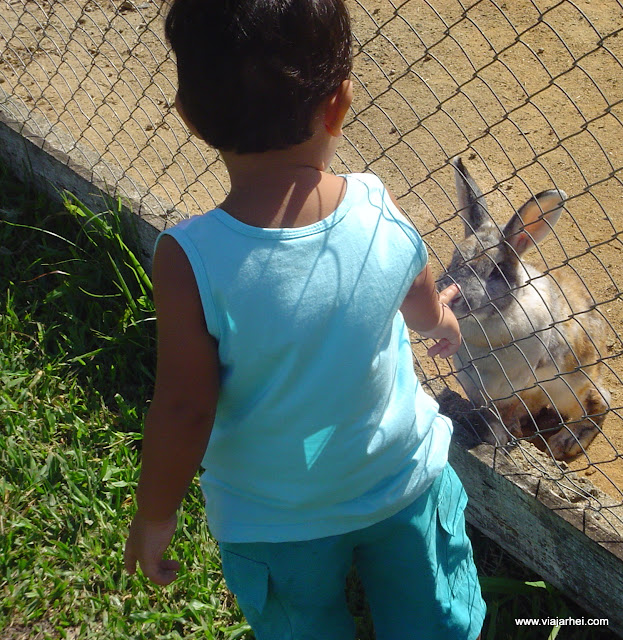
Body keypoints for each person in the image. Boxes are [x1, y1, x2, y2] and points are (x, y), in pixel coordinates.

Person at [124, 0, 486, 638]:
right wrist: (439, 325)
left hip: (276, 518)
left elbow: (184, 408)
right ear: (340, 104)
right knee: (433, 615)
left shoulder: (190, 259)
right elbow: (419, 286)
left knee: (301, 622)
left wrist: (155, 515)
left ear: (186, 116)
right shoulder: (377, 207)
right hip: (399, 481)